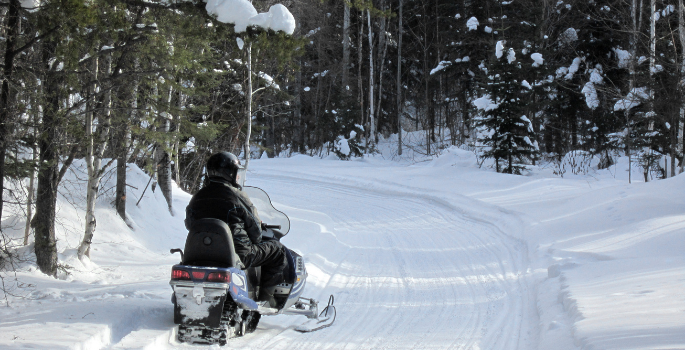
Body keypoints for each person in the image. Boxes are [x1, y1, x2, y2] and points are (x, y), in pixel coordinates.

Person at [184, 151, 287, 307]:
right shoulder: (237, 196)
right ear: (229, 173)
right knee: (278, 250)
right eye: (236, 172)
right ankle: (266, 299)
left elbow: (190, 224)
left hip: (198, 254)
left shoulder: (198, 196)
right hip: (238, 254)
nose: (238, 176)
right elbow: (257, 234)